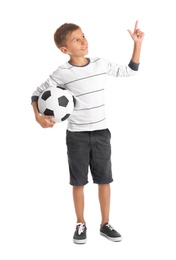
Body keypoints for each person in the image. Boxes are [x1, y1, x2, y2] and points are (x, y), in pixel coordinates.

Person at [31, 21, 144, 244]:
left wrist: (137, 45)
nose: (83, 41)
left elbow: (130, 71)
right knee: (78, 182)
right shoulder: (62, 73)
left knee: (104, 179)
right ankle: (80, 223)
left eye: (83, 36)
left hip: (101, 133)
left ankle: (105, 224)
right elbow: (36, 94)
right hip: (77, 136)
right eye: (76, 39)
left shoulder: (100, 64)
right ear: (65, 50)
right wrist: (38, 116)